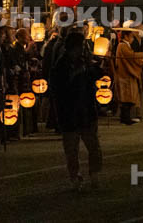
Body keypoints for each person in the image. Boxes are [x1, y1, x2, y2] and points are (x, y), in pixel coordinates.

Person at [52, 31, 103, 191]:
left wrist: (94, 65)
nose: (83, 49)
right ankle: (75, 177)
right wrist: (76, 73)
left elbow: (96, 75)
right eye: (81, 46)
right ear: (74, 47)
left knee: (94, 146)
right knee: (72, 150)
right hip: (70, 114)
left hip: (86, 111)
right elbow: (58, 89)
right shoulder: (61, 65)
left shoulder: (84, 62)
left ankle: (94, 173)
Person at [113, 28, 143, 125]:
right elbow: (131, 56)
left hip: (126, 74)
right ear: (126, 36)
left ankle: (125, 117)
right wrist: (142, 54)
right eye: (131, 36)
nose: (132, 39)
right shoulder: (122, 45)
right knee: (127, 97)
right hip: (125, 75)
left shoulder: (124, 45)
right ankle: (125, 118)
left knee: (128, 97)